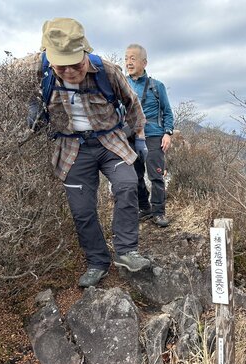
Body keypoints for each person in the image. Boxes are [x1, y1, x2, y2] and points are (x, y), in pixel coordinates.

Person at [27, 18, 151, 287]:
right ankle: (97, 262)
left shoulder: (107, 70)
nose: (71, 71)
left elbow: (133, 104)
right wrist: (33, 104)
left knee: (127, 185)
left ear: (85, 52)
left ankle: (127, 251)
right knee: (82, 210)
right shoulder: (38, 69)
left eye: (76, 63)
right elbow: (3, 78)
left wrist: (136, 137)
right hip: (71, 147)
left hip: (110, 141)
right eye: (63, 65)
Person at [124, 44, 174, 227]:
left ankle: (159, 212)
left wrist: (167, 133)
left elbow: (167, 111)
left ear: (144, 62)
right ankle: (144, 208)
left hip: (153, 135)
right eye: (126, 58)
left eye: (133, 58)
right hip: (130, 135)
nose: (129, 62)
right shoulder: (122, 83)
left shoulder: (157, 86)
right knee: (134, 175)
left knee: (156, 175)